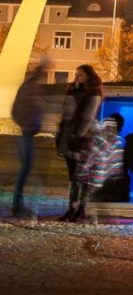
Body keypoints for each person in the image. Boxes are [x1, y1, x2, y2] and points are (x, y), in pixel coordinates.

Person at [56, 64, 103, 222]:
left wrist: (78, 136)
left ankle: (81, 207)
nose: (77, 77)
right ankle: (72, 207)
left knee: (80, 175)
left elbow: (88, 117)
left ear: (89, 76)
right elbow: (66, 112)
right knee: (73, 176)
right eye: (76, 74)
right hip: (69, 138)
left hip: (82, 140)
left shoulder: (93, 93)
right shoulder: (75, 90)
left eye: (80, 75)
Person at [10, 55, 51, 217]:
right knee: (26, 168)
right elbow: (23, 109)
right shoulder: (31, 87)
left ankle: (18, 204)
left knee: (26, 168)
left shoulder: (29, 86)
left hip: (28, 131)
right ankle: (17, 205)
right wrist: (27, 123)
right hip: (26, 132)